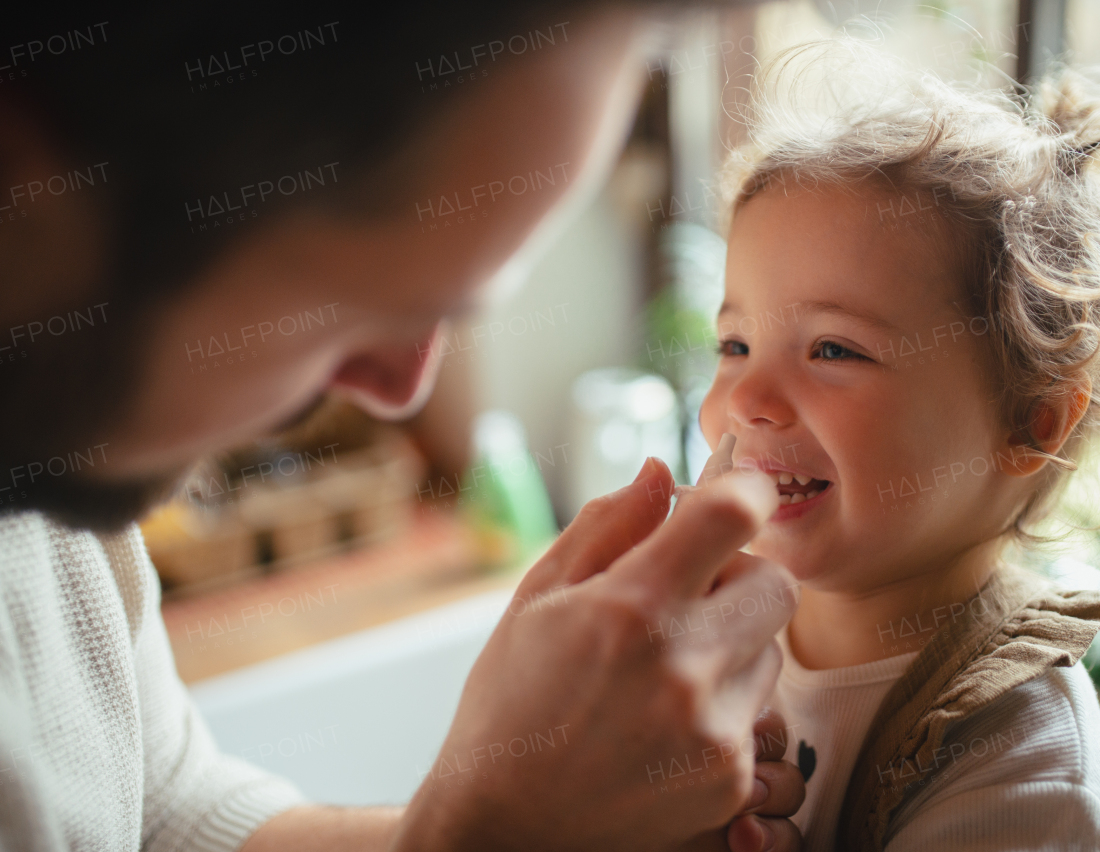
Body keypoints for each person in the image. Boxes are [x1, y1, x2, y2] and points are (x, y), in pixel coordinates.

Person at [0, 3, 807, 850]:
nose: (398, 391)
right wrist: (491, 835)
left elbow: (164, 809)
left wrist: (550, 812)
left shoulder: (56, 458)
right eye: (348, 309)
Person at [696, 40, 1100, 850]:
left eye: (834, 350)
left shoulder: (1026, 777)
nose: (748, 403)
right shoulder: (715, 629)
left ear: (1032, 421)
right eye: (734, 346)